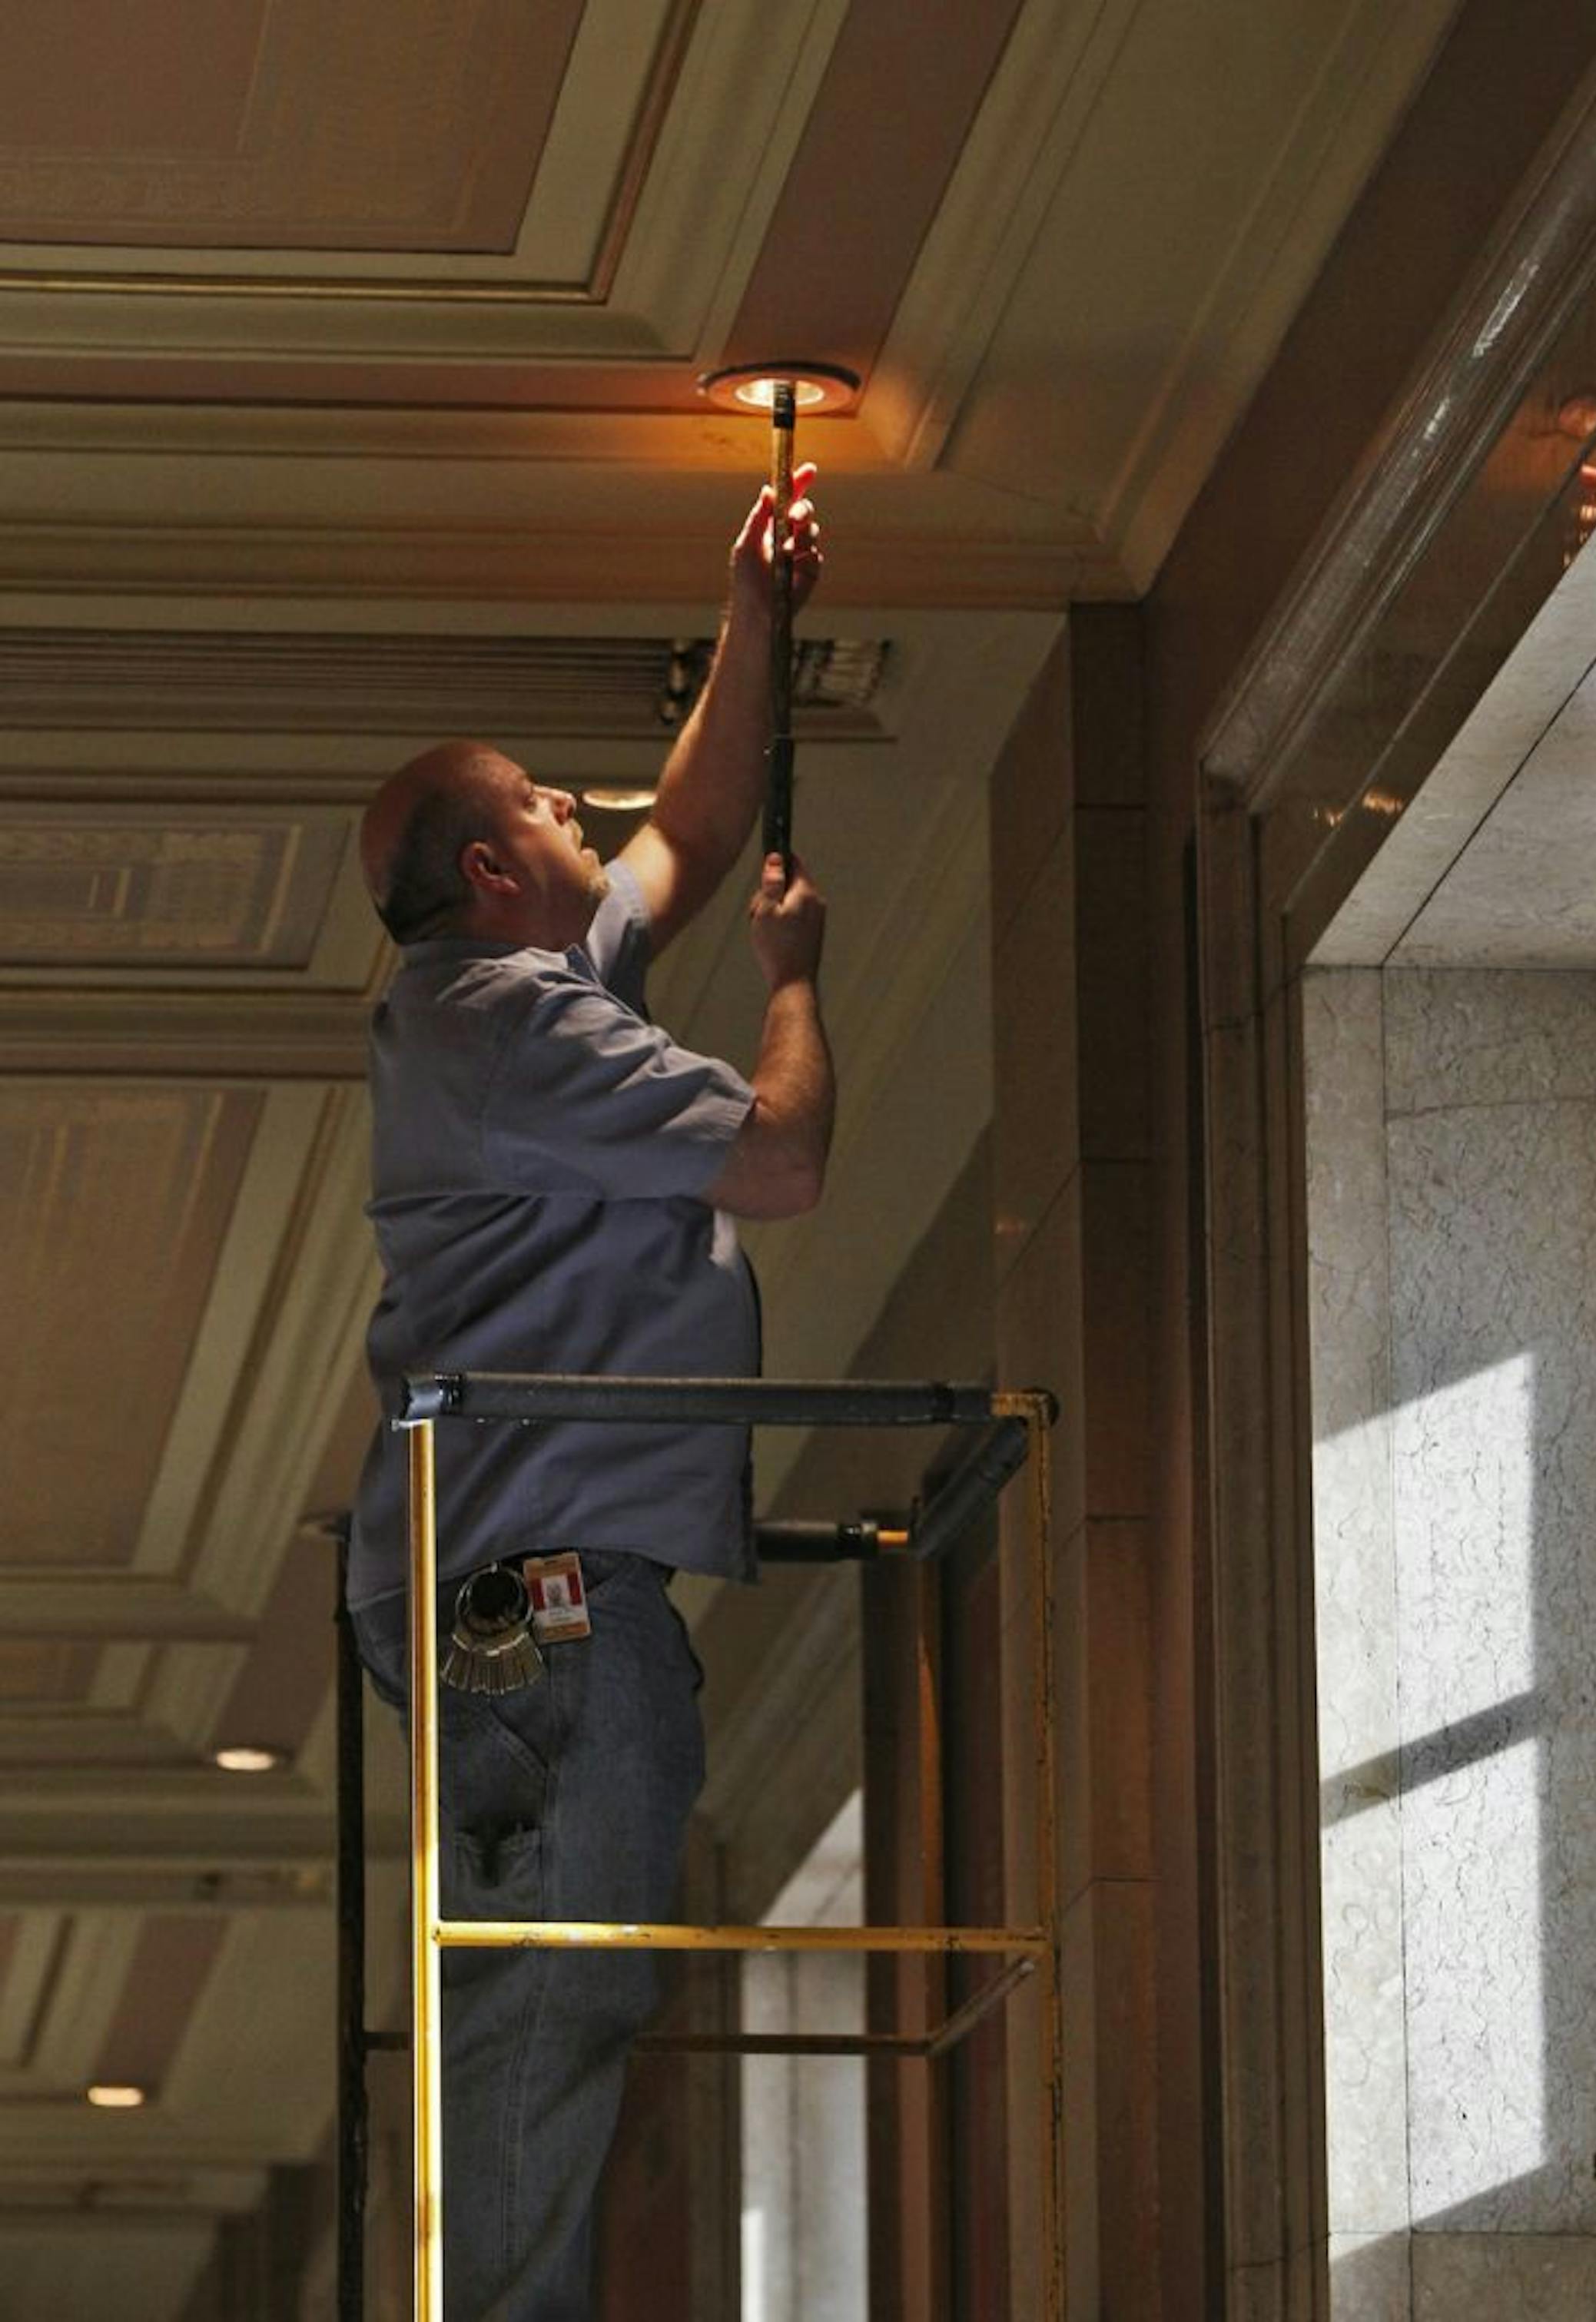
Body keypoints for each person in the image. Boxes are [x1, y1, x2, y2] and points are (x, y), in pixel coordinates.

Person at [347, 469, 834, 2322]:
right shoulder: (515, 1022)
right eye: (552, 804)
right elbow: (781, 1159)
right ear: (489, 870)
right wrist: (796, 989)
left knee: (560, 1955)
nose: (587, 811)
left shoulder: (513, 994)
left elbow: (690, 833)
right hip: (532, 1580)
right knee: (560, 1967)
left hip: (502, 1571)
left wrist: (757, 618)